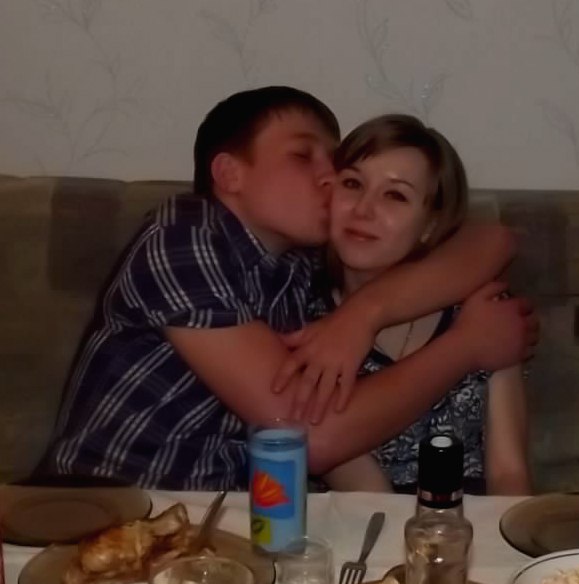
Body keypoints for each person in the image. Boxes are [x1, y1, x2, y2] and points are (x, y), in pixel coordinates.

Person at [41, 86, 536, 490]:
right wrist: (468, 346)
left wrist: (363, 314)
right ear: (230, 173)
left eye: (335, 162)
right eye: (304, 156)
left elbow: (495, 239)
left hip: (220, 526)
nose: (330, 178)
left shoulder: (298, 272)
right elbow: (310, 436)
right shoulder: (183, 236)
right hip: (102, 504)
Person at [297, 114, 530, 494]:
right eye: (353, 184)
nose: (363, 209)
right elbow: (358, 483)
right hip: (365, 521)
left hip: (471, 522)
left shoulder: (481, 308)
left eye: (395, 195)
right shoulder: (304, 314)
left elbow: (509, 472)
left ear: (430, 225)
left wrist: (506, 534)